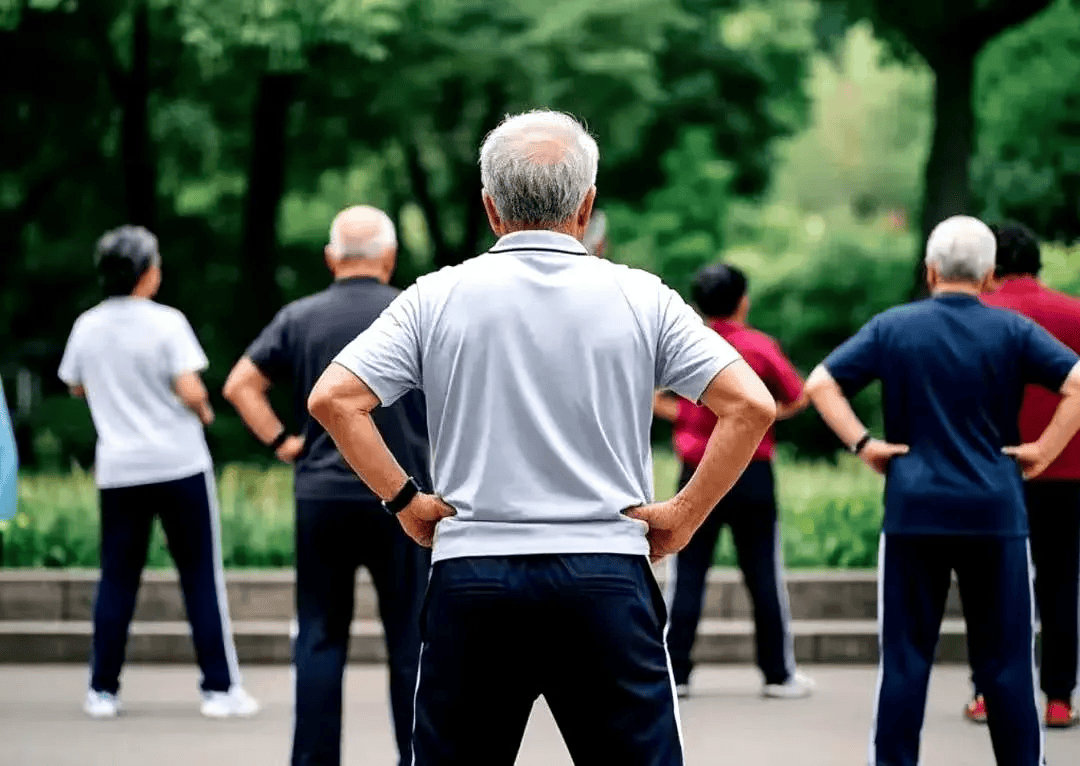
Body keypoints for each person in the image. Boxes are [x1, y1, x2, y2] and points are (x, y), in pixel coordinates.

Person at [307, 109, 776, 766]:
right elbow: (750, 405)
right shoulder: (643, 298)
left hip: (473, 575)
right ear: (586, 208)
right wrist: (683, 516)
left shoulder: (434, 297)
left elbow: (334, 398)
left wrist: (404, 501)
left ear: (490, 209)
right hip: (606, 573)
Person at [805, 215, 1080, 766]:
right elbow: (1076, 383)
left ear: (929, 271)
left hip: (914, 509)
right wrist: (1044, 451)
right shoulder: (1012, 331)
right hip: (996, 511)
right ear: (989, 276)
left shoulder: (893, 326)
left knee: (905, 662)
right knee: (1006, 661)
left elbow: (821, 383)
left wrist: (866, 445)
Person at [222, 206, 430, 766]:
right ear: (389, 257)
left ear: (331, 258)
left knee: (318, 634)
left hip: (321, 495)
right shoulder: (415, 311)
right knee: (411, 638)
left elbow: (240, 384)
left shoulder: (299, 317)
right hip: (404, 499)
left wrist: (283, 443)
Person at [58, 225, 256, 720]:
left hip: (120, 470)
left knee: (117, 578)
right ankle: (219, 690)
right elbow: (190, 389)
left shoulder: (86, 325)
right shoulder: (166, 322)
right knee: (199, 575)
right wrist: (206, 414)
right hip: (179, 464)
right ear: (146, 273)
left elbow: (75, 386)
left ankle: (102, 691)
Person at [653, 263, 812, 699]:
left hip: (696, 470)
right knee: (763, 573)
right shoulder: (759, 347)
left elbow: (652, 398)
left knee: (688, 575)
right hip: (751, 470)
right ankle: (778, 675)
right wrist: (760, 419)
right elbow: (797, 397)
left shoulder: (686, 346)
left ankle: (676, 673)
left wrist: (686, 415)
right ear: (743, 301)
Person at [959, 222, 1080, 729]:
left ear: (989, 267)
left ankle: (989, 692)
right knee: (1061, 584)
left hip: (990, 470)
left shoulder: (975, 316)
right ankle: (1058, 698)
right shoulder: (1073, 313)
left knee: (993, 585)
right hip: (1068, 471)